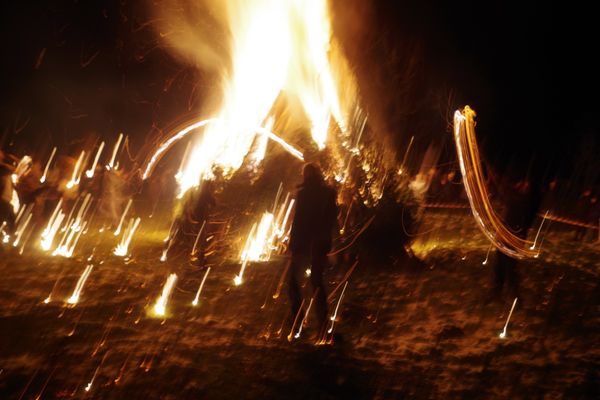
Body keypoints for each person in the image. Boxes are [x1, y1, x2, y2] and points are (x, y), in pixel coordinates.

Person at [287, 163, 338, 338]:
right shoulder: (329, 193)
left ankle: (298, 323)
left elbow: (299, 222)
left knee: (293, 282)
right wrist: (330, 243)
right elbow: (332, 220)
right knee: (317, 283)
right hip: (320, 244)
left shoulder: (304, 194)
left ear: (306, 175)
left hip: (304, 244)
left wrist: (293, 246)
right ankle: (323, 324)